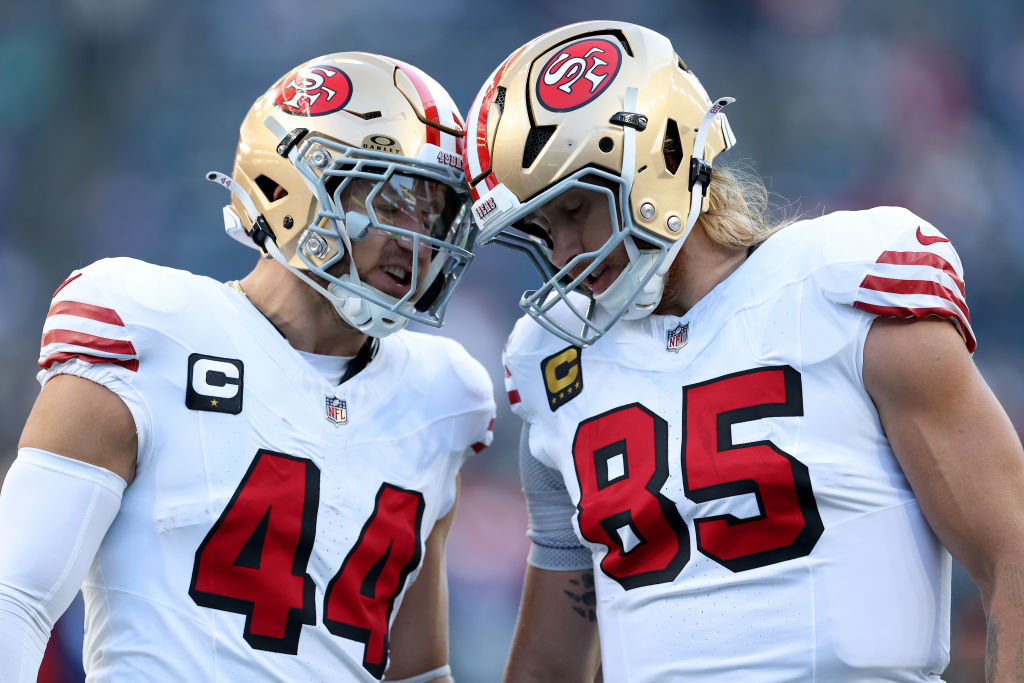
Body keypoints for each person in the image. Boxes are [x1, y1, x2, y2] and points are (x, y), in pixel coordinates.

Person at [462, 20, 1024, 682]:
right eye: (542, 227)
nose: (562, 256)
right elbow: (547, 669)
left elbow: (1012, 556)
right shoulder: (552, 364)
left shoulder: (845, 285)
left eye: (577, 209)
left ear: (658, 159)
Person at [0, 51, 495, 683]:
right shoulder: (144, 325)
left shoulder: (440, 397)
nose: (418, 240)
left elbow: (417, 674)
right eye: (396, 202)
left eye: (437, 214)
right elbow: (16, 597)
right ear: (299, 184)